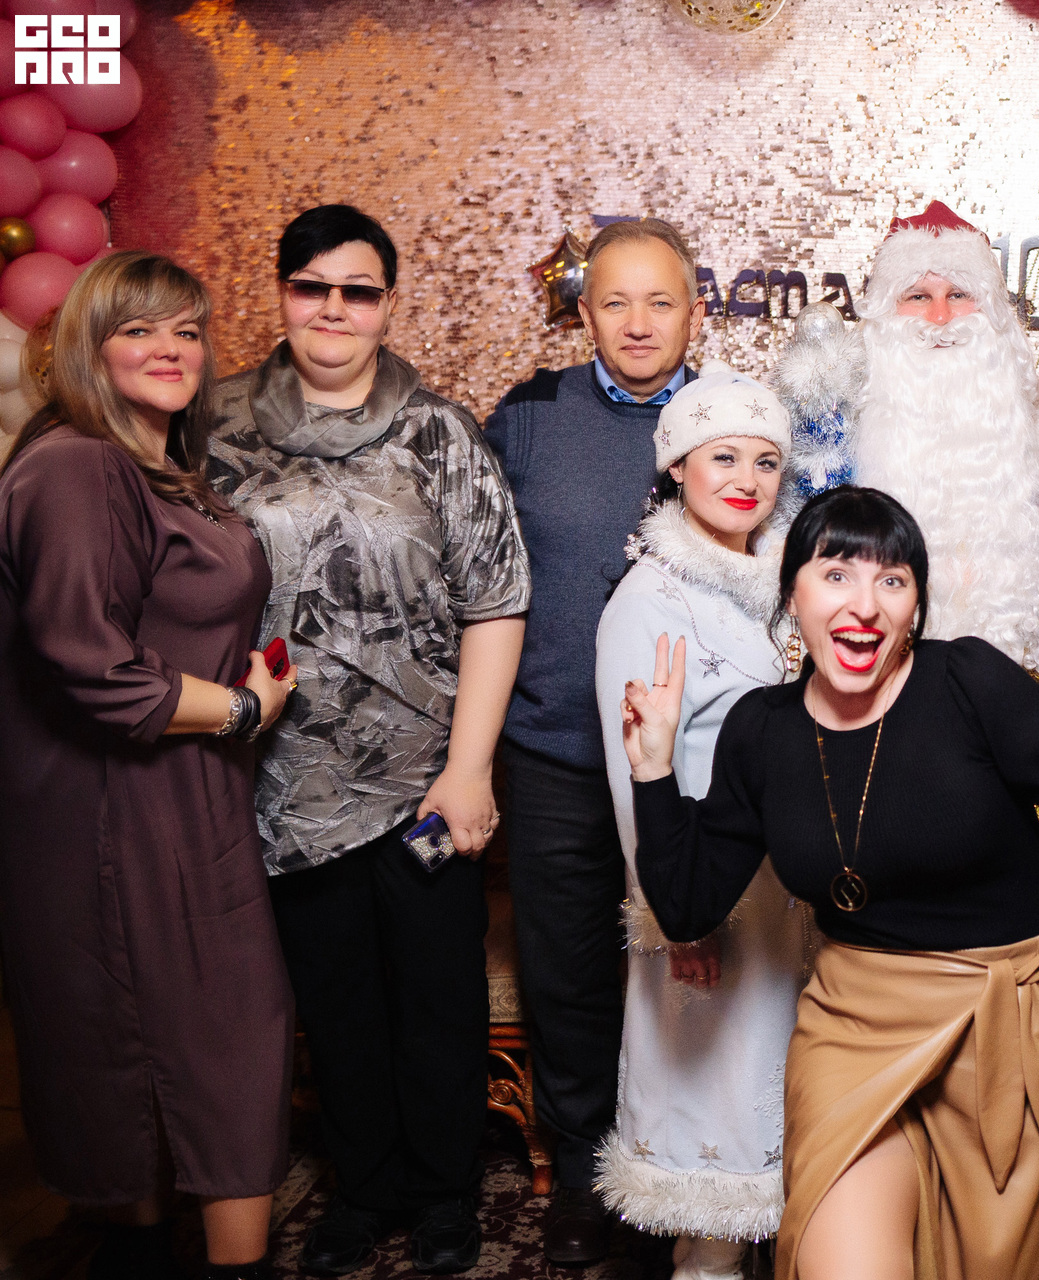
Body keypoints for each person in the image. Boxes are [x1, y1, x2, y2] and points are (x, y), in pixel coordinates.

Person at [618, 486, 1039, 1280]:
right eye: (836, 574)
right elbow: (687, 904)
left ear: (915, 607)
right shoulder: (761, 730)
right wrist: (654, 770)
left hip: (1004, 1024)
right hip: (854, 1025)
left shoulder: (971, 682)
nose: (864, 604)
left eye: (892, 580)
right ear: (791, 592)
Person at [206, 205, 530, 1276]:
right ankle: (364, 1188)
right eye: (312, 286)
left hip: (426, 777)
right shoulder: (214, 428)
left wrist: (470, 767)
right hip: (282, 776)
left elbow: (496, 601)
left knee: (437, 997)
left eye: (358, 290)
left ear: (388, 304)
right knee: (334, 1001)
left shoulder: (440, 432)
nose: (333, 309)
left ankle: (443, 1194)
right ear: (282, 293)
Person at [0, 251, 297, 1280]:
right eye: (138, 330)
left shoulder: (152, 463)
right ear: (90, 346)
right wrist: (245, 706)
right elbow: (91, 662)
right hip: (115, 810)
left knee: (191, 1042)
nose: (170, 349)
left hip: (183, 792)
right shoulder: (76, 467)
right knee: (213, 1038)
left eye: (187, 330)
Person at [483, 216, 703, 1263]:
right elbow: (476, 577)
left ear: (695, 311)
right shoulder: (529, 417)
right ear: (585, 314)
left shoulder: (730, 418)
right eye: (615, 301)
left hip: (692, 760)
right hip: (553, 749)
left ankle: (684, 1167)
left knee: (692, 962)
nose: (638, 322)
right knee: (565, 969)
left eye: (660, 300)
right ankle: (583, 1177)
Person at [593, 368, 808, 1280]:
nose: (746, 479)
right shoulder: (650, 600)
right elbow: (632, 774)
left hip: (784, 904)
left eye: (765, 461)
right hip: (705, 907)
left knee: (786, 1153)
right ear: (678, 466)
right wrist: (672, 919)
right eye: (723, 457)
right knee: (715, 1181)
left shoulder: (781, 586)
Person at [772, 200, 1039, 674]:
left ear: (993, 311)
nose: (940, 318)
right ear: (883, 315)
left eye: (959, 294)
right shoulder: (833, 437)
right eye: (917, 297)